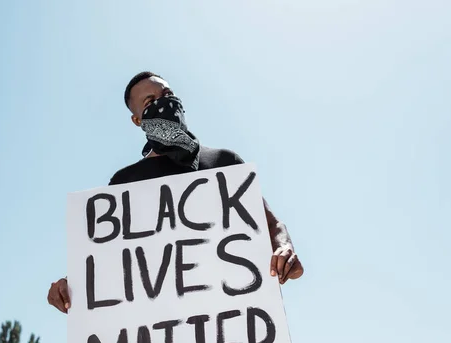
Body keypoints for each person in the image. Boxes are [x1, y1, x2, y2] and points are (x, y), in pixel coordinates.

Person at [47, 71, 304, 314]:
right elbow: (108, 258)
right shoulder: (125, 183)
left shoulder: (225, 163)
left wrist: (284, 247)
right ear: (138, 120)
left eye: (167, 94)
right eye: (151, 101)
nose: (164, 103)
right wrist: (70, 286)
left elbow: (270, 223)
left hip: (227, 320)